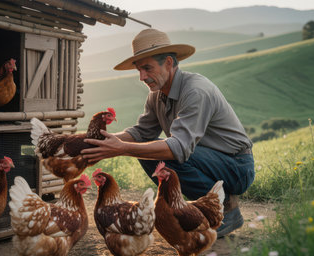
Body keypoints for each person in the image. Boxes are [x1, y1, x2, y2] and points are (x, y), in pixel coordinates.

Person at [81, 28, 255, 238]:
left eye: (147, 68)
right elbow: (142, 132)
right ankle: (202, 209)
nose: (142, 77)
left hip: (236, 166)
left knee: (164, 153)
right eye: (139, 70)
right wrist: (99, 141)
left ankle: (225, 208)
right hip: (206, 159)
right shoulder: (156, 95)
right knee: (146, 152)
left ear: (169, 63)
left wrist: (122, 149)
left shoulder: (195, 91)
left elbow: (180, 148)